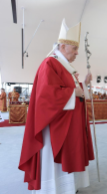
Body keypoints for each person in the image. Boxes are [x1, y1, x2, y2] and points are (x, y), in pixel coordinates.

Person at [18, 19, 95, 193]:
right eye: (74, 49)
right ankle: (51, 188)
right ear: (62, 47)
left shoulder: (67, 67)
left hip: (68, 122)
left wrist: (83, 85)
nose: (77, 53)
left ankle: (68, 187)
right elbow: (47, 94)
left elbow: (73, 90)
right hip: (54, 125)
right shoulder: (50, 63)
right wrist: (74, 92)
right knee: (54, 159)